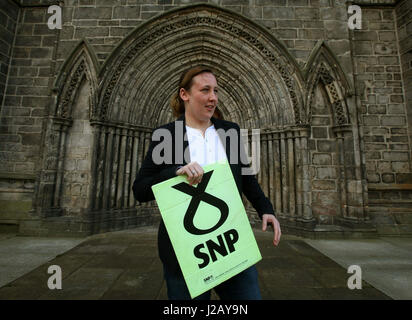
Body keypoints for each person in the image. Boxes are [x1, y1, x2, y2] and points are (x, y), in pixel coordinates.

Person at [132, 66, 281, 300]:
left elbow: (246, 177)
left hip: (231, 243)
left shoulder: (229, 131)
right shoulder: (166, 136)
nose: (213, 97)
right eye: (205, 90)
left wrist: (266, 209)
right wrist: (174, 173)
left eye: (216, 91)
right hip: (186, 251)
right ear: (185, 94)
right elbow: (140, 189)